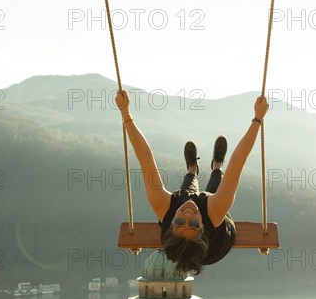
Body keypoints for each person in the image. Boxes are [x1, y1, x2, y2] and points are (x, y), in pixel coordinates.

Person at [115, 90, 269, 274]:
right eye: (194, 224)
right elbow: (237, 162)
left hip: (185, 238)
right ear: (203, 228)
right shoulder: (214, 212)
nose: (188, 214)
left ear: (171, 225)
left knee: (186, 193)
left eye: (180, 221)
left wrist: (125, 113)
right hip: (219, 242)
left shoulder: (163, 207)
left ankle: (192, 170)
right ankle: (217, 166)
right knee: (213, 191)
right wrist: (257, 118)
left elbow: (145, 158)